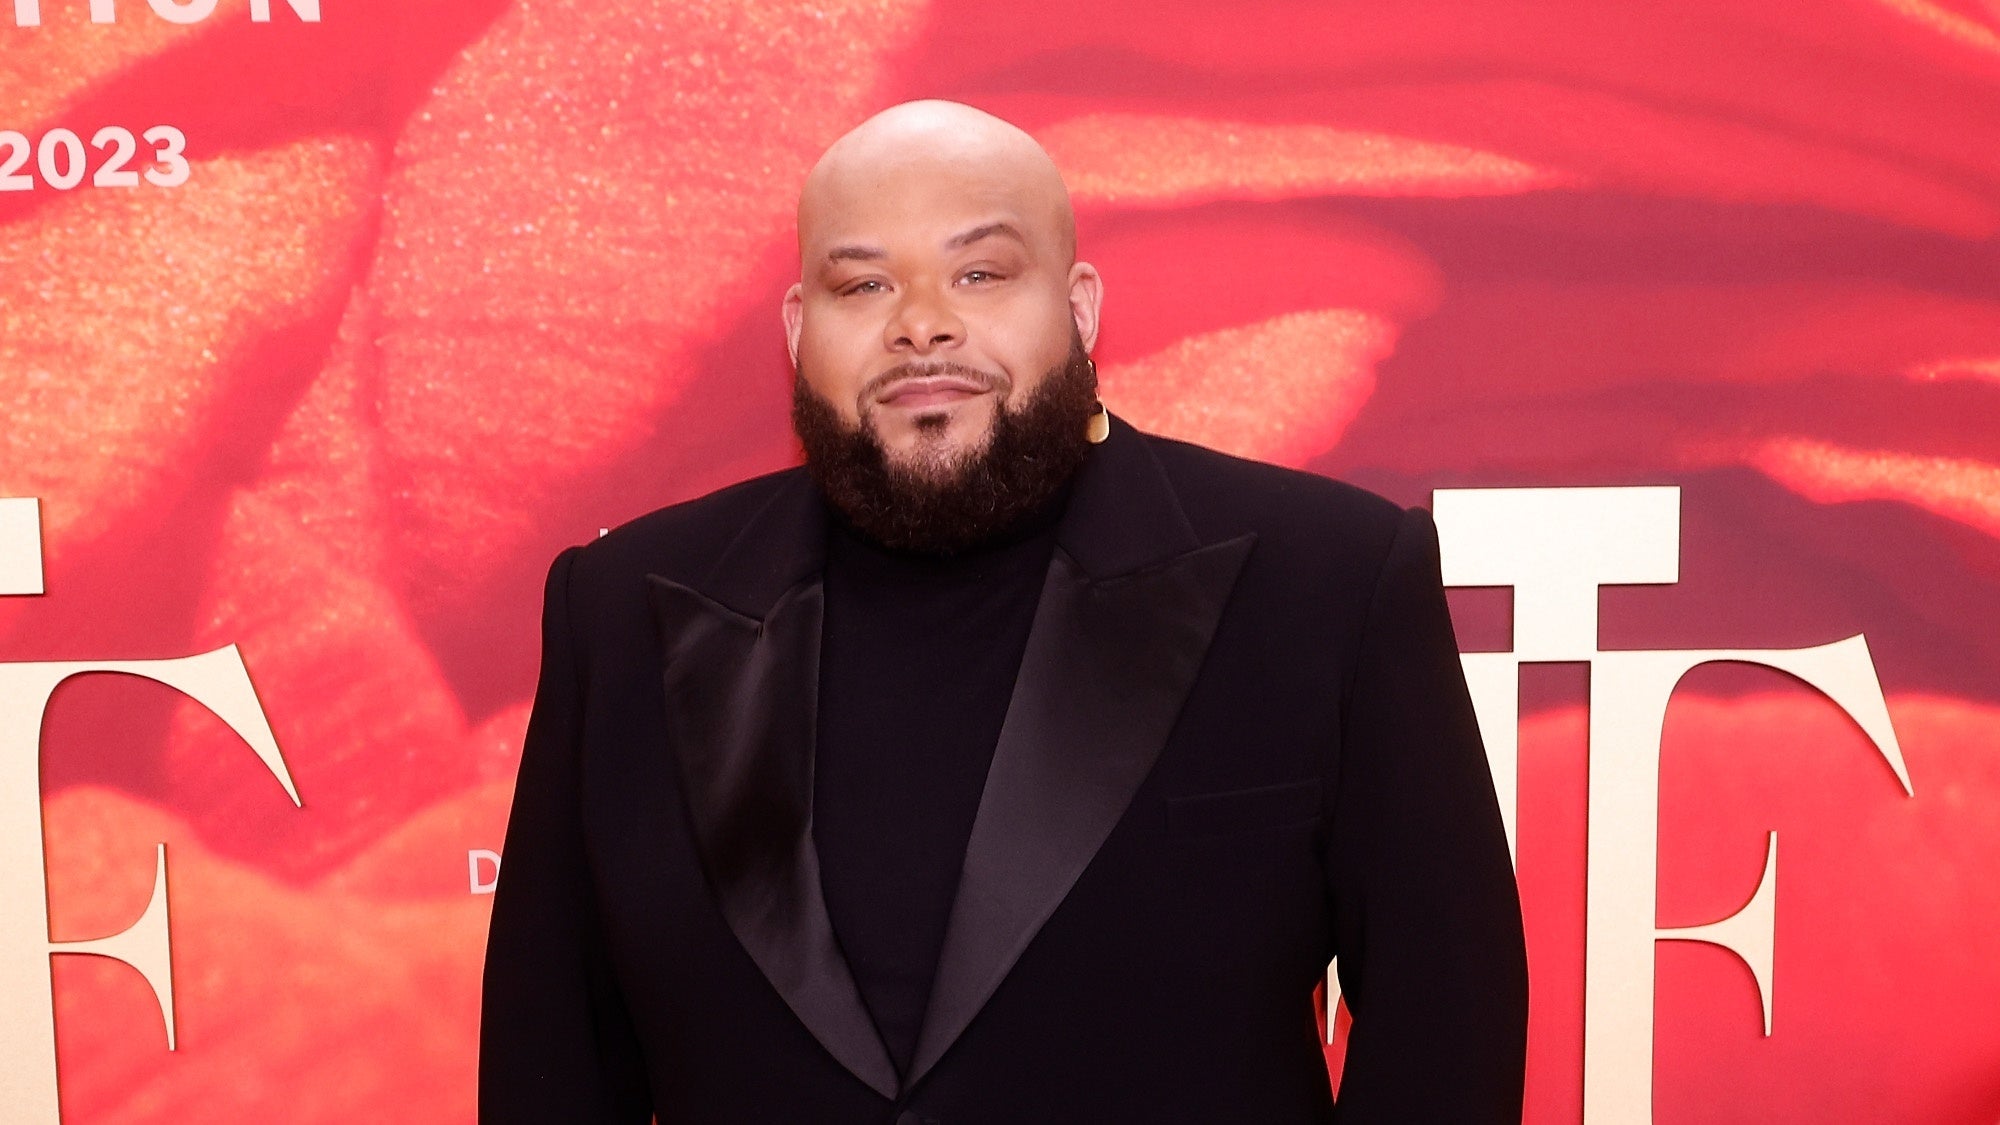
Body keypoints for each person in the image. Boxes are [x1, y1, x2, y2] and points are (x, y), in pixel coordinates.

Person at [479, 99, 1527, 1124]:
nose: (921, 323)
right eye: (863, 284)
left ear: (1079, 307)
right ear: (798, 329)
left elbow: (1447, 1035)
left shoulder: (1325, 581)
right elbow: (550, 1065)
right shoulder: (622, 611)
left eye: (979, 273)